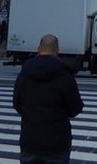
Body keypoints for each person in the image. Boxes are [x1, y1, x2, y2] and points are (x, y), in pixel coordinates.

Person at [12, 34, 83, 164]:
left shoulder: (24, 74)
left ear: (38, 49)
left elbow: (17, 105)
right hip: (57, 143)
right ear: (57, 51)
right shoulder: (65, 76)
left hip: (30, 141)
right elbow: (75, 109)